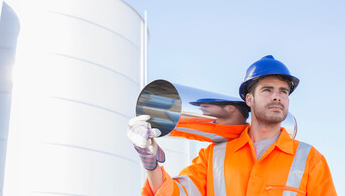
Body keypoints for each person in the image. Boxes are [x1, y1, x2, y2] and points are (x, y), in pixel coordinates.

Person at [127, 55, 337, 195]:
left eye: (283, 91)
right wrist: (150, 164)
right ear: (249, 99)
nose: (277, 97)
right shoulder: (214, 157)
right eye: (267, 90)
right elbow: (174, 192)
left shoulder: (310, 160)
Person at [168, 97, 249, 143]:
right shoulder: (206, 121)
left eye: (206, 106)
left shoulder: (224, 134)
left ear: (230, 108)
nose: (200, 108)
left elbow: (178, 129)